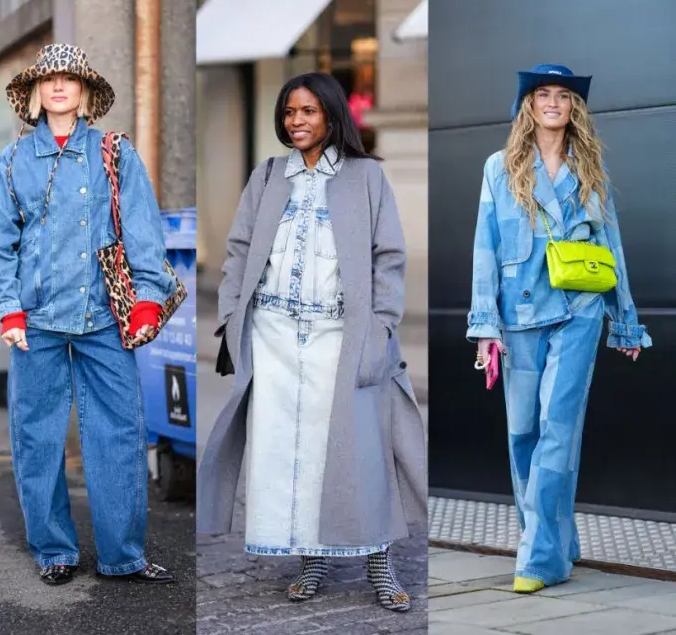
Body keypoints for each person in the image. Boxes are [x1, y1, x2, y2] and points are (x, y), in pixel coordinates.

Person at [197, 72, 427, 610]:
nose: (295, 121)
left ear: (330, 114)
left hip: (342, 337)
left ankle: (379, 563)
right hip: (273, 335)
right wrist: (233, 316)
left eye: (307, 111)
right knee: (289, 456)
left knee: (360, 454)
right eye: (288, 112)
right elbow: (238, 249)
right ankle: (312, 559)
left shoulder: (366, 176)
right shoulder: (268, 175)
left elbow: (388, 257)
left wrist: (380, 327)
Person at [0, 43, 177, 586]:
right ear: (35, 95)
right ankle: (54, 550)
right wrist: (9, 310)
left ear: (84, 94)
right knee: (36, 439)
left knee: (119, 434)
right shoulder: (12, 163)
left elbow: (143, 230)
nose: (59, 86)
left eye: (70, 79)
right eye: (49, 80)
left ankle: (123, 555)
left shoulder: (115, 153)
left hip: (106, 319)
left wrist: (148, 300)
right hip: (35, 323)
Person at [467, 64, 649, 593]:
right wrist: (485, 325)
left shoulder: (589, 170)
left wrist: (627, 323)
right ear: (528, 105)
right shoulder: (499, 168)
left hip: (579, 313)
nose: (552, 102)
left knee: (557, 434)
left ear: (574, 108)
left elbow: (612, 246)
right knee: (524, 432)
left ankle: (539, 559)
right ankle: (556, 540)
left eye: (563, 95)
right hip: (519, 317)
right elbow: (485, 248)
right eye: (543, 94)